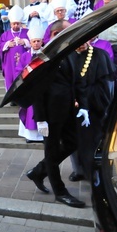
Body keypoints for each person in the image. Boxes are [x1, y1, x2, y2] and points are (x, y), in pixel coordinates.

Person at [25, 45, 91, 208]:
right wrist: (40, 118)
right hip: (49, 115)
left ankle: (38, 171)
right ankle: (60, 192)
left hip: (68, 111)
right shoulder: (43, 59)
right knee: (51, 151)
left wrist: (83, 106)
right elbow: (37, 89)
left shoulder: (71, 55)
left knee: (72, 143)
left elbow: (78, 82)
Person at [68, 41, 115, 182]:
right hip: (74, 108)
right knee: (75, 142)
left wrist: (86, 101)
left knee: (93, 142)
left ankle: (95, 172)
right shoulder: (69, 57)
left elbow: (107, 84)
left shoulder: (100, 56)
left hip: (95, 108)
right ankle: (79, 170)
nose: (81, 44)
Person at [15, 23, 46, 143]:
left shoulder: (46, 55)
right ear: (30, 42)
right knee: (30, 111)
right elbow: (19, 70)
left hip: (43, 88)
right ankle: (31, 136)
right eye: (34, 41)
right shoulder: (25, 56)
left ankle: (43, 135)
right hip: (30, 88)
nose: (36, 43)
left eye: (38, 41)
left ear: (42, 41)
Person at [0, 5, 28, 90]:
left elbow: (34, 43)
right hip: (9, 62)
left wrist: (25, 42)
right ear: (10, 24)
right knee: (10, 79)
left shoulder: (27, 32)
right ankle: (12, 98)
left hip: (24, 62)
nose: (15, 25)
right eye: (14, 24)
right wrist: (7, 44)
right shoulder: (5, 34)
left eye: (17, 23)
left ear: (21, 23)